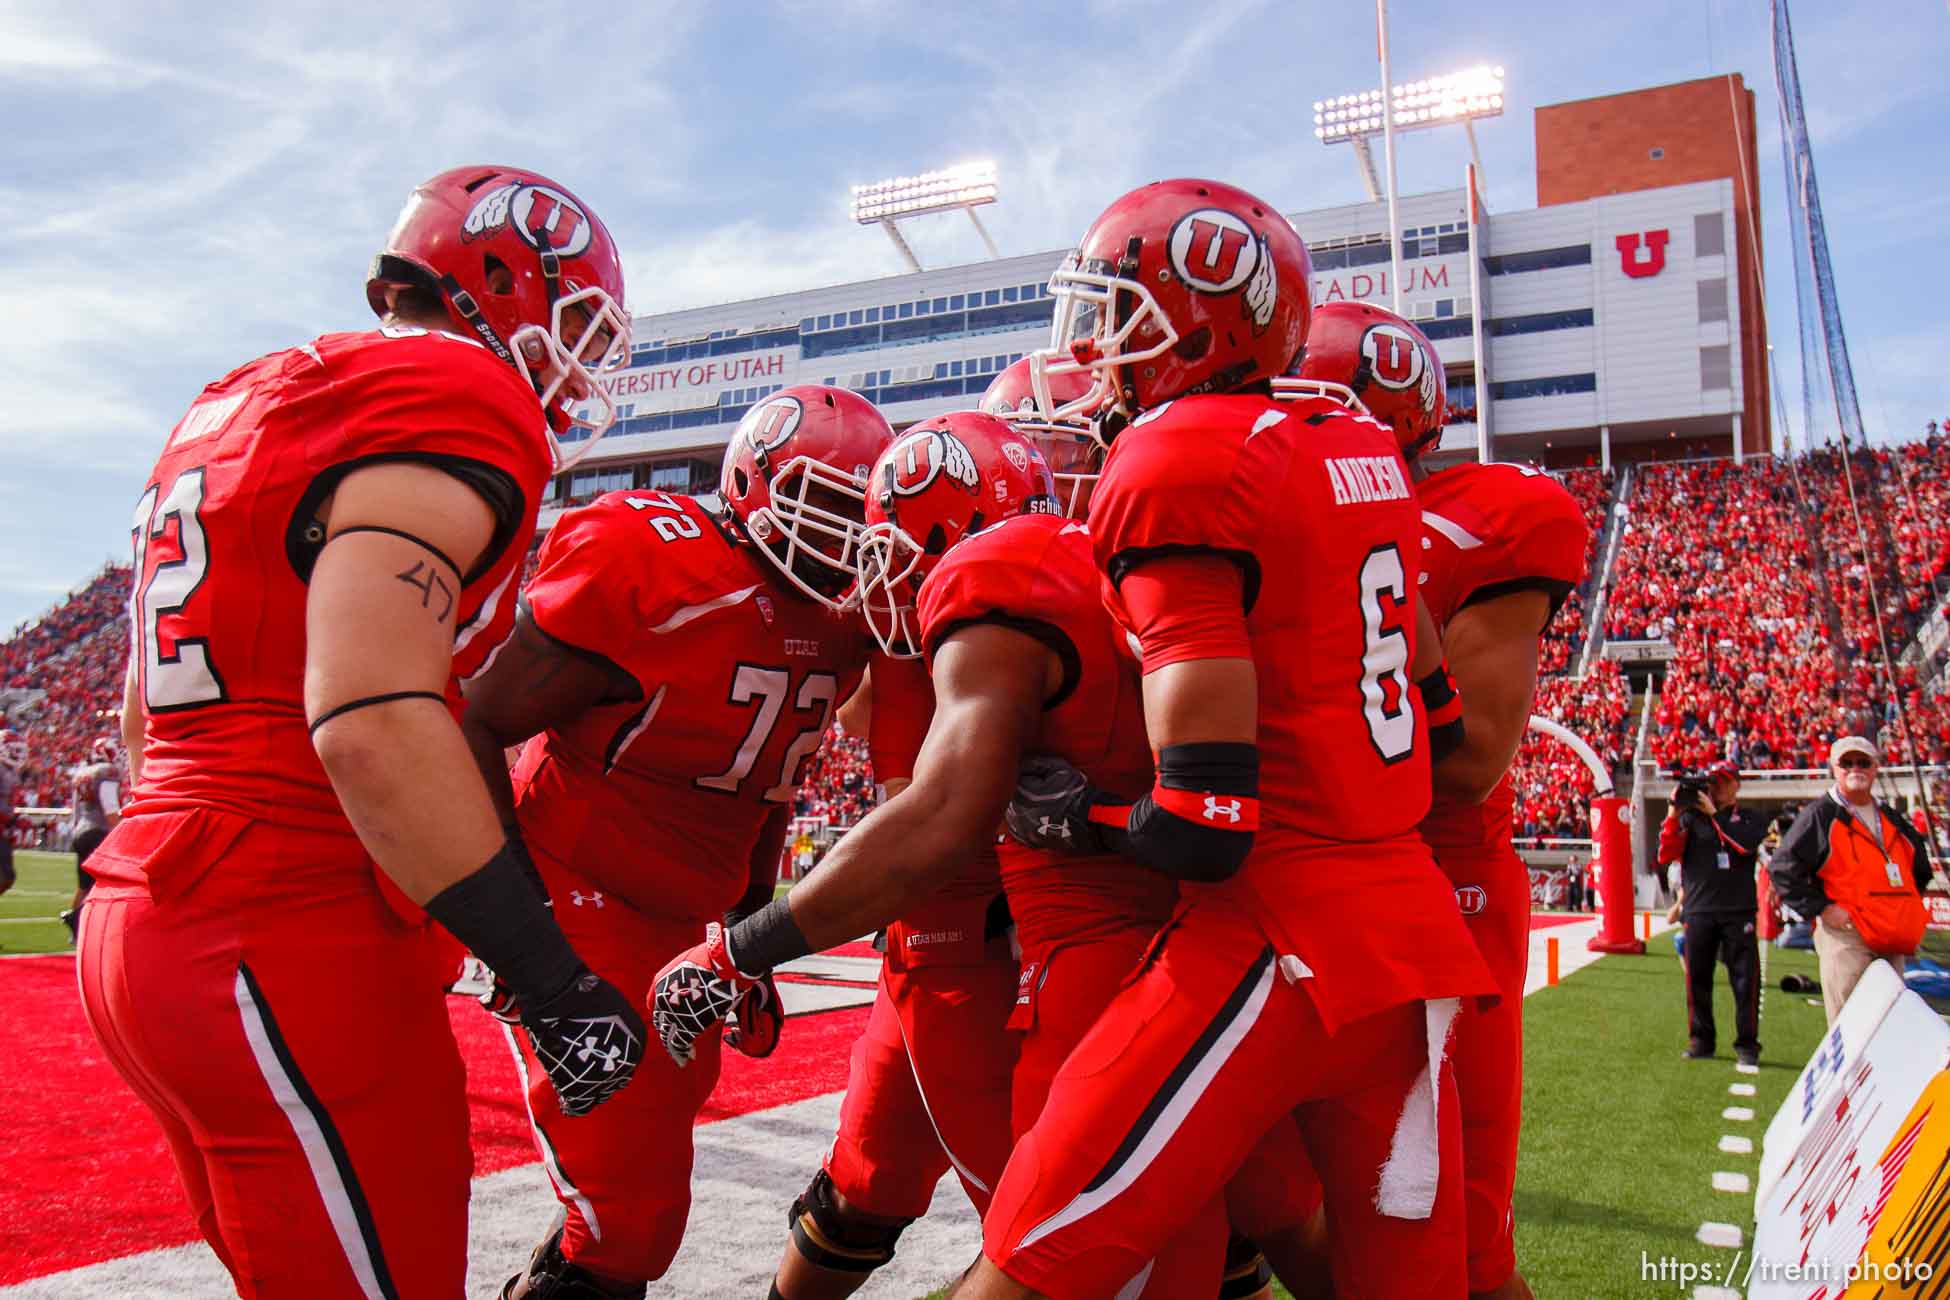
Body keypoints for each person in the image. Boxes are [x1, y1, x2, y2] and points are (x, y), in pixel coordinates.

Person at [75, 165, 646, 1300]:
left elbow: (143, 716)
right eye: (576, 326)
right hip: (283, 924)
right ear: (502, 280)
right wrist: (545, 975)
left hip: (147, 905)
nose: (578, 365)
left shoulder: (243, 396)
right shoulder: (457, 388)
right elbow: (370, 715)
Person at [975, 178, 1490, 1298]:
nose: (1094, 346)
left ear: (1193, 320)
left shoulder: (1176, 457)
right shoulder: (1354, 437)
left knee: (1027, 1259)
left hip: (1274, 938)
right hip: (1409, 940)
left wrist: (1074, 816)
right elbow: (1442, 725)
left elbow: (1204, 824)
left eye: (1114, 311)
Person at [458, 385, 896, 1298]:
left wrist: (747, 940)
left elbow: (768, 785)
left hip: (682, 915)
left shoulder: (844, 625)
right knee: (630, 1211)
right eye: (818, 506)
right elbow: (477, 719)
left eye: (854, 519)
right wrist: (516, 925)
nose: (835, 540)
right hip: (577, 882)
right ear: (753, 480)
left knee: (645, 1164)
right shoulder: (653, 561)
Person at [1283, 299, 1589, 1300]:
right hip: (1297, 882)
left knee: (1455, 1238)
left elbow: (1472, 763)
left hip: (1439, 894)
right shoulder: (1268, 496)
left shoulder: (1488, 518)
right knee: (1264, 1201)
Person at [1770, 736, 1933, 1023]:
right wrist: (1822, 908)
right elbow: (1782, 868)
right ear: (1834, 768)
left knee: (1890, 1023)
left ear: (1875, 768)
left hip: (1890, 935)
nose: (1855, 768)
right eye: (1846, 763)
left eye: (1863, 762)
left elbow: (1920, 868)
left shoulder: (1890, 817)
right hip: (1847, 935)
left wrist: (1903, 907)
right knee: (1851, 1025)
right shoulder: (1821, 815)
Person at [1659, 760, 1768, 1064]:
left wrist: (1715, 815)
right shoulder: (1691, 819)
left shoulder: (1751, 818)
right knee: (1697, 980)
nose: (1717, 786)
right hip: (1699, 909)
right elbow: (1666, 853)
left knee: (1745, 982)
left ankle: (1747, 1044)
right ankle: (1701, 1040)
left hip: (1739, 911)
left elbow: (1743, 846)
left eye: (1724, 780)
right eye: (1713, 781)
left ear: (1736, 785)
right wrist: (1673, 813)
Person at [61, 736, 124, 937]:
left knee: (84, 885)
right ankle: (85, 922)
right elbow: (110, 807)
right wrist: (120, 834)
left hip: (80, 831)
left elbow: (75, 810)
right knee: (106, 882)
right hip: (98, 831)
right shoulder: (107, 772)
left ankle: (74, 924)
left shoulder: (82, 772)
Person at [0, 727, 22, 897]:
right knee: (5, 876)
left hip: (3, 828)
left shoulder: (11, 771)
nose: (18, 754)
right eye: (14, 749)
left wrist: (13, 820)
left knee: (7, 877)